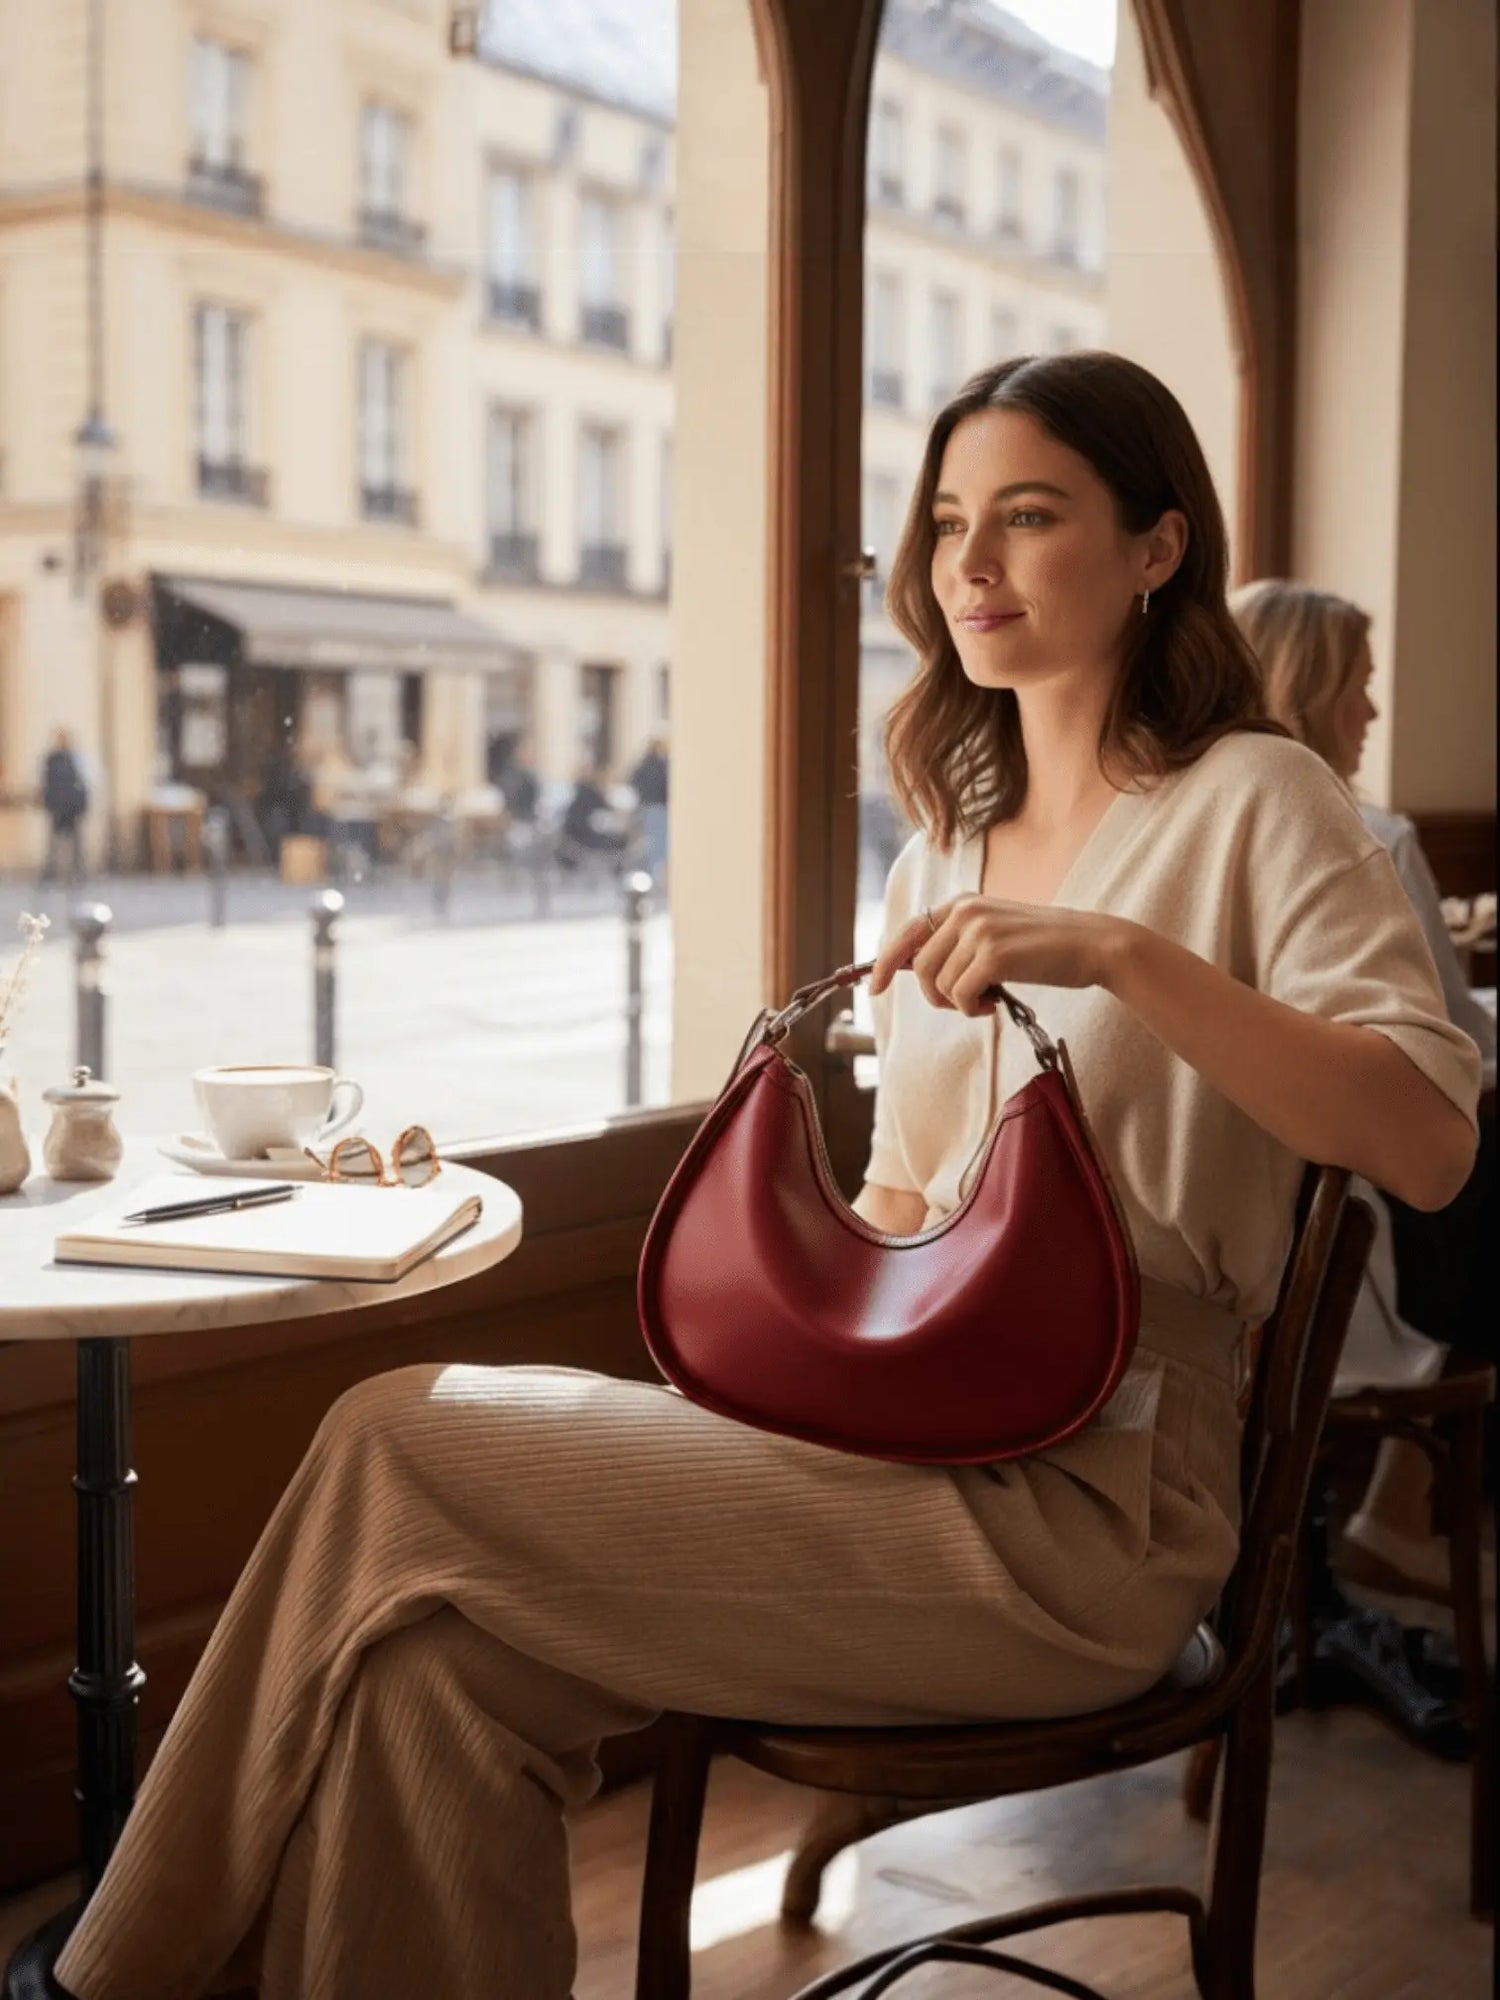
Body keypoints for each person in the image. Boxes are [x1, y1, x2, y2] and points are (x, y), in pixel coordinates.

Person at [41, 353, 1479, 2000]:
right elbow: (912, 1212)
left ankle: (111, 1976)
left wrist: (1122, 955)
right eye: (948, 524)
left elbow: (1429, 1143)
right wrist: (812, 1303)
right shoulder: (951, 837)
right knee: (425, 1679)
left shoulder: (1260, 802)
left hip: (1095, 1516)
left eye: (1029, 516)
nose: (972, 568)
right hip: (900, 1443)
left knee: (391, 1431)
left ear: (1158, 548)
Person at [1231, 579, 1497, 1605]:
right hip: (1345, 1244)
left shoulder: (1181, 826)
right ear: (1314, 689)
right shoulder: (1371, 836)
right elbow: (1454, 1051)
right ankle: (1399, 1503)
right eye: (1363, 686)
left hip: (1234, 1252)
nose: (1374, 713)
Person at [37, 729, 89, 887]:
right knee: (55, 843)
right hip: (58, 806)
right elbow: (46, 783)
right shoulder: (52, 760)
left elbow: (83, 783)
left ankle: (76, 872)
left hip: (71, 807)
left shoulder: (75, 759)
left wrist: (81, 804)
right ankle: (52, 873)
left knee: (75, 844)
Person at [558, 760, 630, 871]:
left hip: (583, 835)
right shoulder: (586, 795)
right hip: (585, 836)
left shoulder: (583, 794)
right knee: (619, 842)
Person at [628, 734, 670, 885]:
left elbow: (634, 780)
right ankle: (653, 877)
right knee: (657, 845)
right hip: (657, 807)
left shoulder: (645, 764)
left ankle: (651, 875)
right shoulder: (658, 765)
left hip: (649, 806)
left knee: (652, 843)